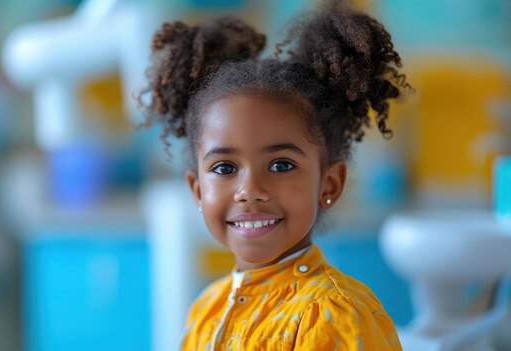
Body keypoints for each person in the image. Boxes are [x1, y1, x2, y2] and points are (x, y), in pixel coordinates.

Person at [139, 0, 409, 349]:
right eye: (225, 168)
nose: (250, 190)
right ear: (197, 190)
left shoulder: (332, 315)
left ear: (329, 183)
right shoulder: (206, 308)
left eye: (281, 165)